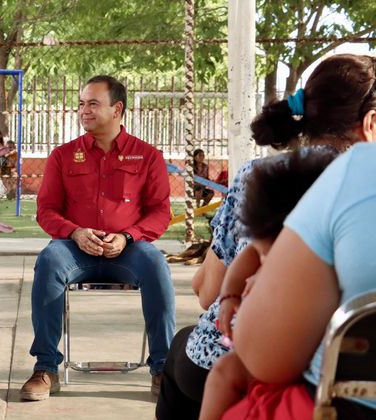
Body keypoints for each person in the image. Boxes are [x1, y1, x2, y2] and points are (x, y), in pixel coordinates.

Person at [155, 53, 376, 420]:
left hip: (310, 386)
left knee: (195, 355)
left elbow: (212, 293)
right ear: (369, 123)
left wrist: (235, 295)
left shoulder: (296, 176)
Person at [20, 75, 174, 401]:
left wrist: (128, 237)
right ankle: (46, 369)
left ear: (117, 109)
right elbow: (46, 211)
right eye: (81, 103)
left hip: (128, 250)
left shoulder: (147, 156)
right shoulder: (63, 156)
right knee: (49, 260)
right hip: (74, 249)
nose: (84, 110)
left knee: (157, 263)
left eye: (93, 103)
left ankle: (163, 370)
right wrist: (75, 232)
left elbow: (160, 212)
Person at [197, 147, 339, 420]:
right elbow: (252, 253)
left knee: (224, 372)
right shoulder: (333, 242)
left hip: (317, 397)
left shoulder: (298, 285)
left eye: (266, 256)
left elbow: (267, 364)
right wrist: (229, 295)